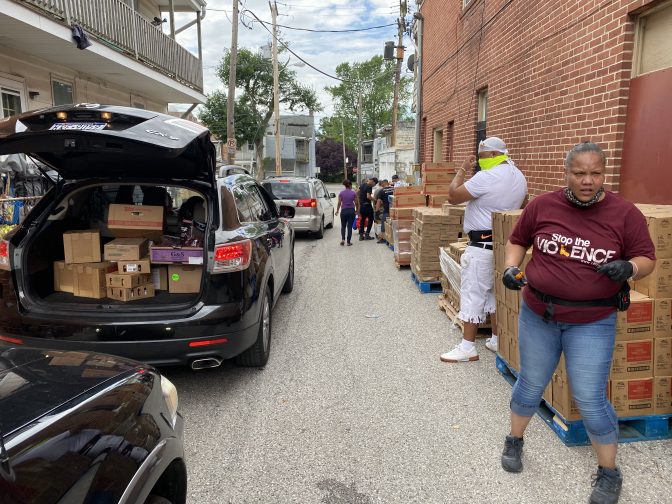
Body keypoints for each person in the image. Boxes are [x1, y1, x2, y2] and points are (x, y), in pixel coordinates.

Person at [500, 142, 655, 504]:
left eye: (595, 173)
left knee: (590, 397)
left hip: (592, 321)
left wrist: (629, 267)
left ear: (605, 174)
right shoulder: (542, 206)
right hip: (539, 314)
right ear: (566, 172)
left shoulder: (624, 213)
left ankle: (608, 472)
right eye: (580, 173)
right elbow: (517, 240)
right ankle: (514, 440)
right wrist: (511, 267)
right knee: (530, 383)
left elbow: (647, 258)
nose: (588, 180)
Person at [440, 136, 527, 363]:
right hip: (502, 245)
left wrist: (462, 169)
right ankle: (497, 339)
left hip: (480, 246)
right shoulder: (519, 176)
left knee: (473, 294)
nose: (478, 162)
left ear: (492, 154)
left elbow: (453, 196)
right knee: (494, 295)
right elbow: (524, 202)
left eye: (481, 157)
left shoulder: (486, 177)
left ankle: (468, 347)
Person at [336, 179, 359, 246]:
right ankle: (348, 242)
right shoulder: (353, 193)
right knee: (349, 226)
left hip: (343, 211)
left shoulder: (341, 193)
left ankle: (343, 239)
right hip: (351, 211)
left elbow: (339, 203)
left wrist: (337, 210)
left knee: (343, 226)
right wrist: (357, 210)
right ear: (350, 185)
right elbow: (356, 203)